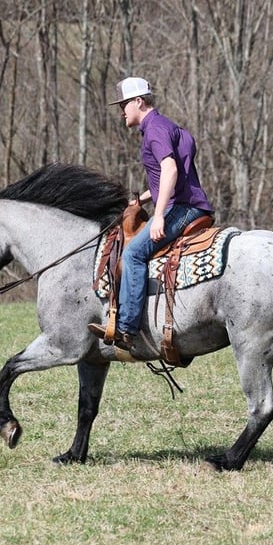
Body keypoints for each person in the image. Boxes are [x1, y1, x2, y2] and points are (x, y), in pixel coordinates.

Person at [88, 77, 214, 351]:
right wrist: (141, 198)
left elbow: (169, 169)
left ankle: (126, 328)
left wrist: (158, 216)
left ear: (138, 102)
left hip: (181, 208)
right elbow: (169, 175)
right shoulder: (166, 125)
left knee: (133, 254)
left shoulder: (154, 130)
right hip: (188, 203)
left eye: (124, 104)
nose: (121, 110)